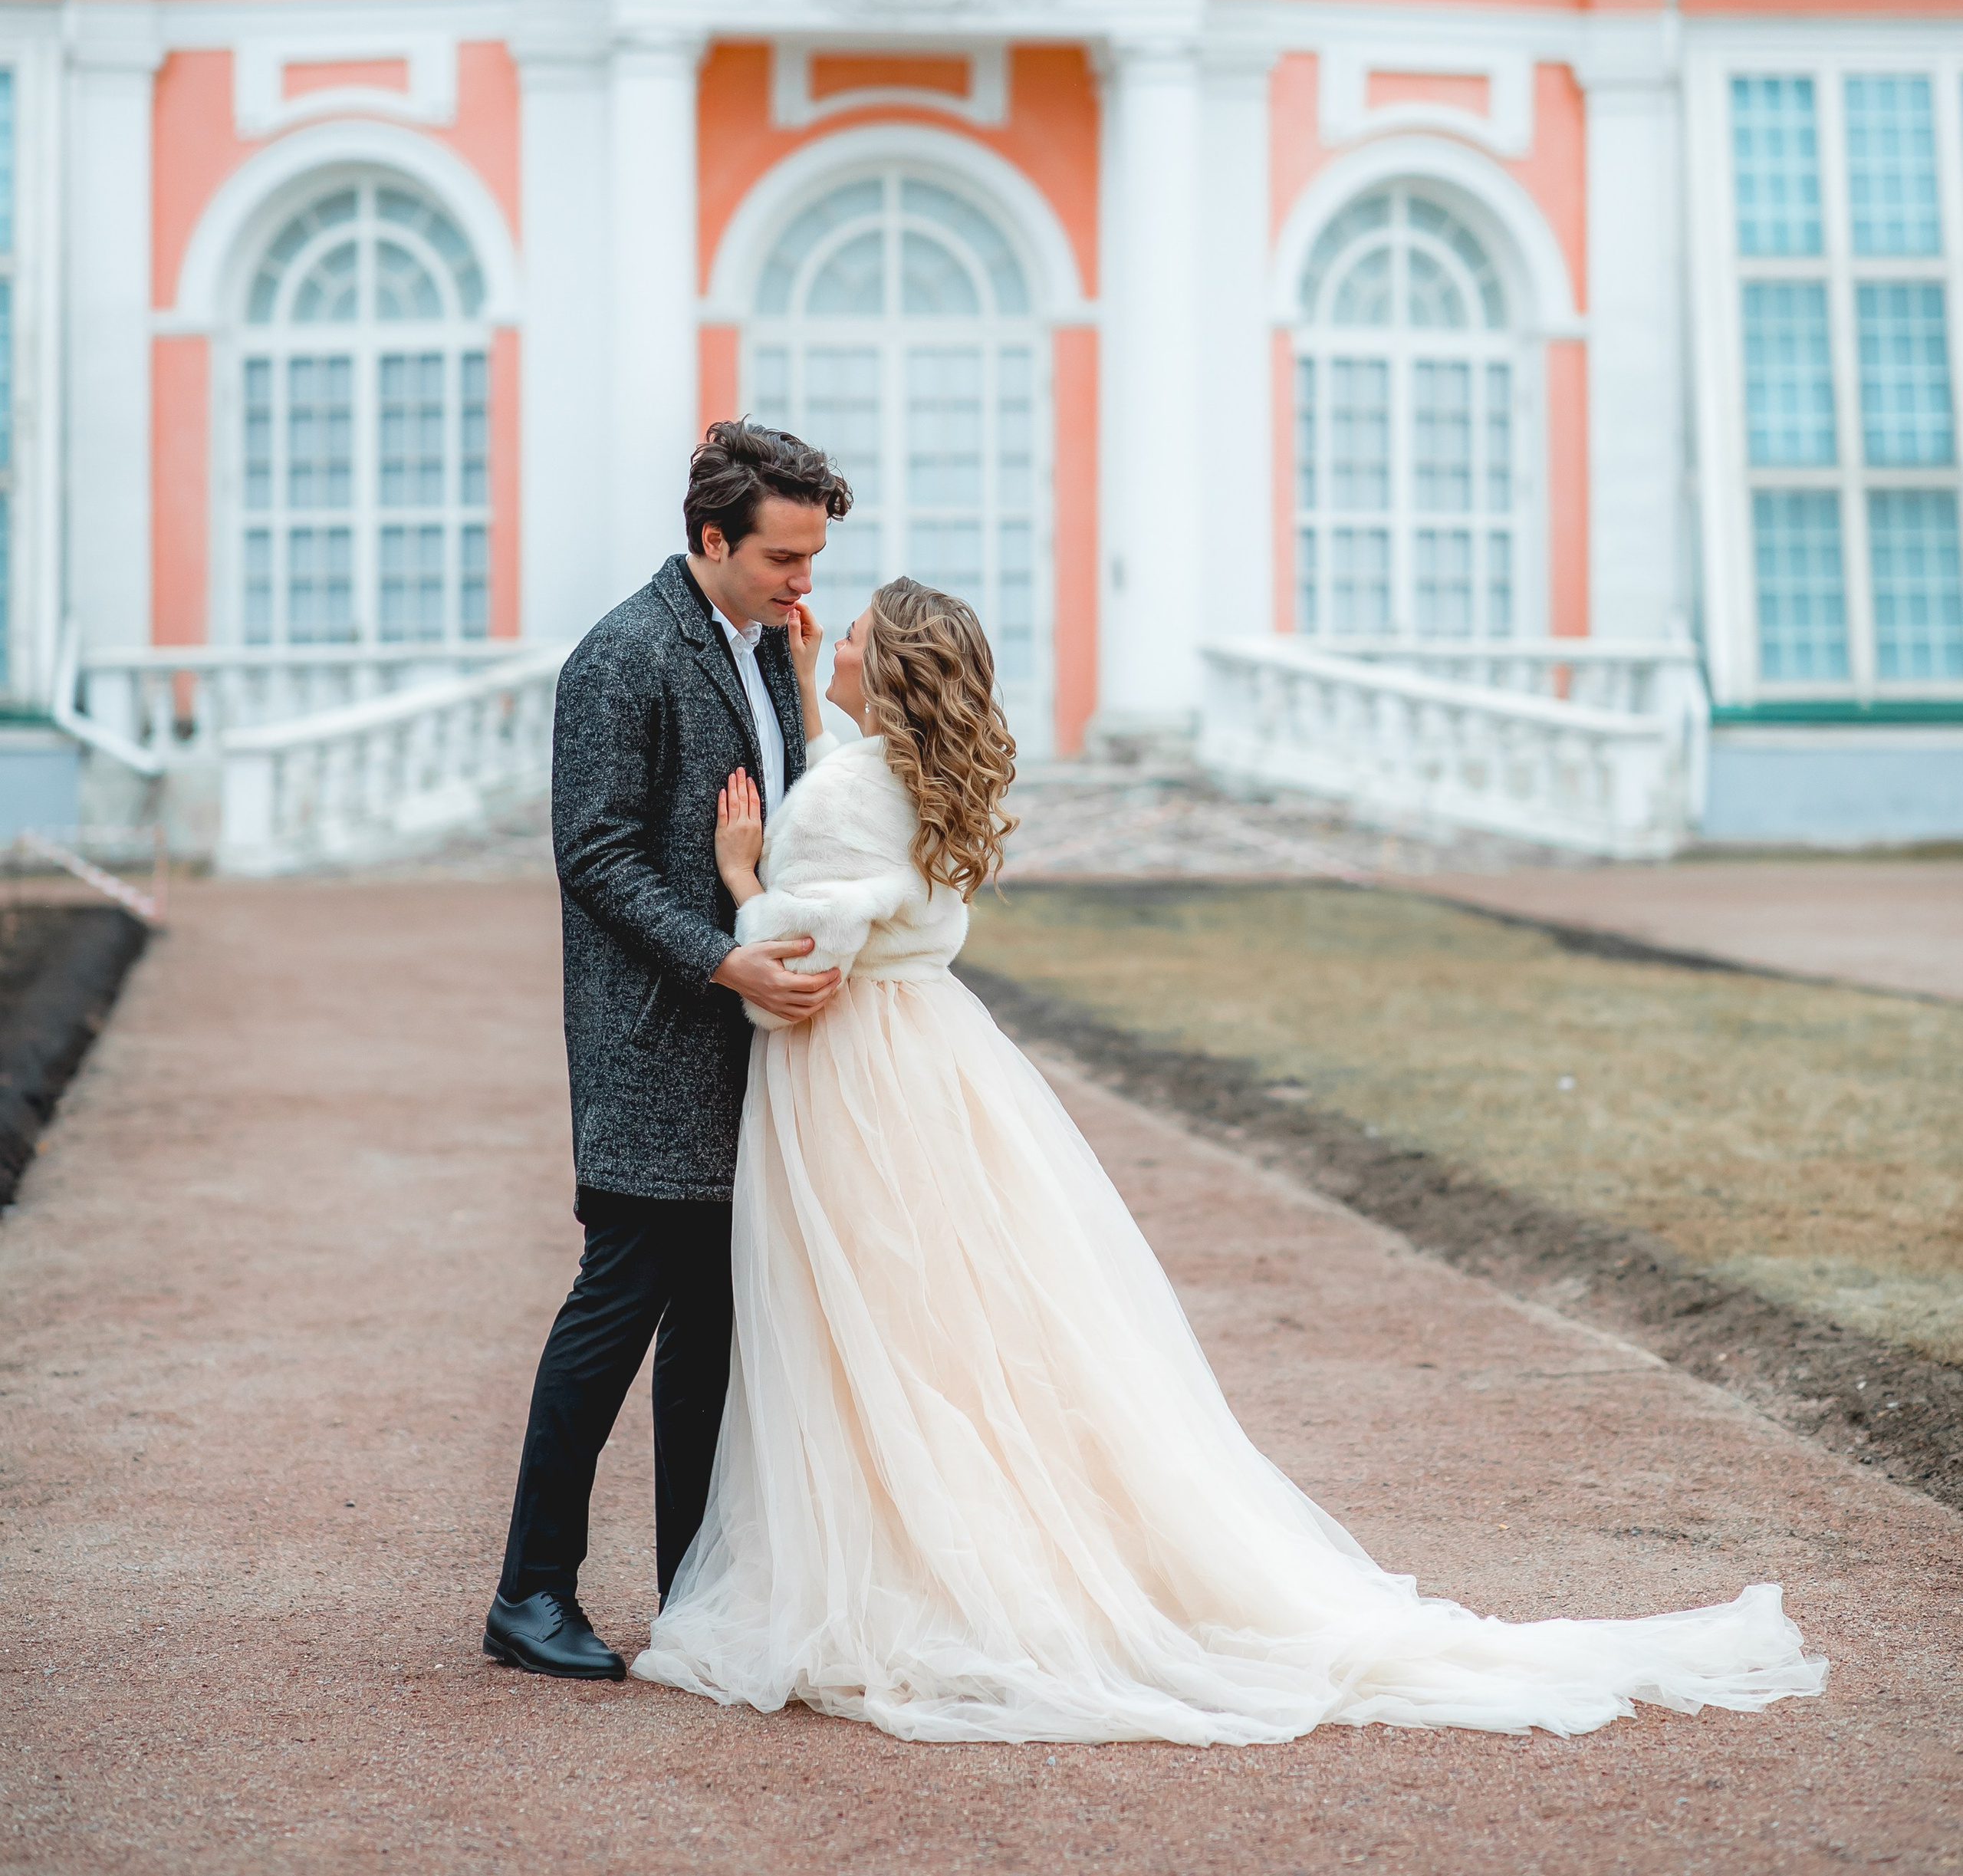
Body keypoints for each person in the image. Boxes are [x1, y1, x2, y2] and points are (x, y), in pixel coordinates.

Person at [633, 578, 1829, 1743]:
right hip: (938, 1061)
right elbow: (867, 853)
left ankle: (904, 1564)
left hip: (856, 1076)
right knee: (960, 1323)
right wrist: (810, 704)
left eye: (847, 634)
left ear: (890, 671)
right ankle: (980, 1550)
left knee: (873, 1320)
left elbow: (793, 972)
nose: (826, 639)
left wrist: (740, 876)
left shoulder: (844, 790)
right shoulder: (925, 777)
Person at [484, 420, 851, 1681]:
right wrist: (722, 957)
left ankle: (694, 1595)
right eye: (784, 557)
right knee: (612, 1321)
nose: (804, 579)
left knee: (712, 1340)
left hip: (750, 1053)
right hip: (654, 1051)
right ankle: (530, 1593)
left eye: (813, 556)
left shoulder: (768, 647)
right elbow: (592, 854)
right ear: (711, 537)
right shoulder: (623, 654)